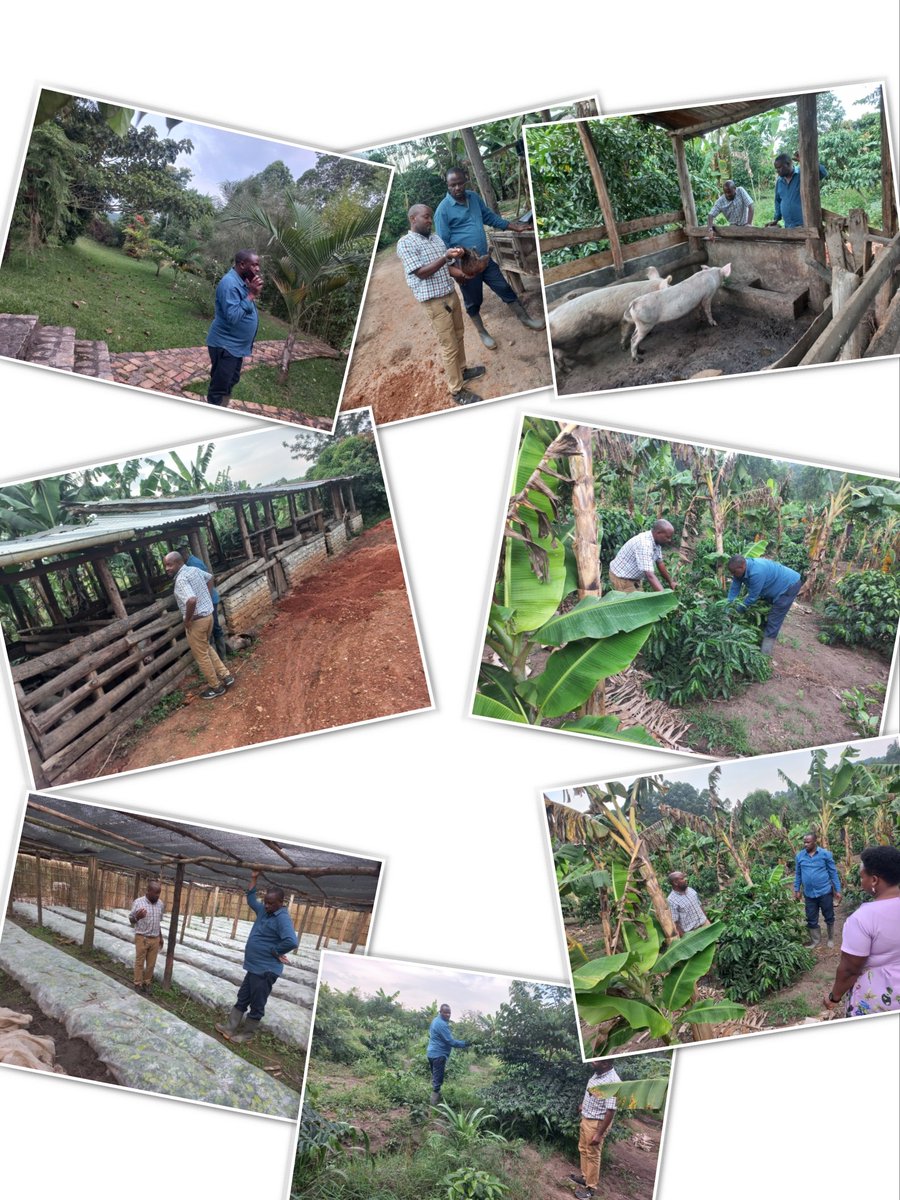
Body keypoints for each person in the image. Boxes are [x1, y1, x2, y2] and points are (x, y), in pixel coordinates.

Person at [434, 167, 544, 349]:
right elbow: (443, 244)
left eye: (460, 183)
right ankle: (482, 332)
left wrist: (513, 226)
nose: (457, 188)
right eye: (452, 185)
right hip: (466, 265)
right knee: (473, 300)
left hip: (484, 259)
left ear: (465, 180)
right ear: (447, 185)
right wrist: (456, 272)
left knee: (503, 287)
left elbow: (489, 217)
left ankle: (526, 319)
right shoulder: (443, 211)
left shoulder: (473, 198)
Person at [397, 204, 486, 405]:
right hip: (434, 302)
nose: (430, 220)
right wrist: (445, 256)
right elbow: (421, 272)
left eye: (430, 217)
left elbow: (446, 268)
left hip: (450, 295)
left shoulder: (436, 239)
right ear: (413, 219)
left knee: (460, 334)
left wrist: (463, 274)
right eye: (426, 217)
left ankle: (463, 370)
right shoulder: (406, 243)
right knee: (449, 346)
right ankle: (456, 390)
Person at [214, 869, 299, 1045]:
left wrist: (276, 951)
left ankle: (247, 1035)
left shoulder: (282, 918)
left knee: (257, 1003)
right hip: (254, 967)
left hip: (266, 970)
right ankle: (229, 1027)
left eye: (270, 903)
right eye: (266, 902)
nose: (266, 906)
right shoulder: (265, 911)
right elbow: (251, 898)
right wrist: (253, 878)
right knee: (243, 996)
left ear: (280, 903)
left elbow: (291, 941)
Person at [824, 845, 900, 1016]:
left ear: (874, 880)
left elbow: (850, 970)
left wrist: (833, 997)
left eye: (862, 877)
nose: (860, 881)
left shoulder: (862, 919)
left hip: (880, 1001)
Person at [163, 551, 234, 699]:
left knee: (201, 655)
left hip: (196, 622)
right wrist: (206, 597)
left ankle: (216, 687)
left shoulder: (181, 579)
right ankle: (225, 675)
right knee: (206, 647)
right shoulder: (193, 570)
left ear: (178, 563)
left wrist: (187, 620)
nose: (166, 568)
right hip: (208, 617)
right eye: (165, 565)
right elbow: (209, 578)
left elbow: (191, 600)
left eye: (169, 565)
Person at [206, 249, 263, 406]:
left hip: (235, 347)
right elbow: (233, 317)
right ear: (242, 264)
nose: (258, 269)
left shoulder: (242, 280)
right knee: (219, 387)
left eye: (258, 265)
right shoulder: (229, 284)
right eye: (255, 265)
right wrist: (251, 295)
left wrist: (251, 291)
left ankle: (222, 405)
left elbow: (244, 307)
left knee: (232, 380)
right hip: (225, 346)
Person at [725, 554, 803, 655]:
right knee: (764, 613)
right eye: (731, 573)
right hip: (773, 585)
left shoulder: (756, 572)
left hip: (788, 585)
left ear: (742, 566)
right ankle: (758, 640)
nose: (733, 575)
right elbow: (734, 590)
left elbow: (752, 597)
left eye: (734, 572)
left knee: (774, 618)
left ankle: (765, 653)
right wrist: (728, 607)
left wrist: (737, 610)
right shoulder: (738, 571)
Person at [570, 1058, 621, 1200]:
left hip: (597, 1123)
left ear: (605, 1064)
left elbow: (610, 1111)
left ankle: (590, 1189)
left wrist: (599, 1134)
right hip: (586, 1118)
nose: (592, 1062)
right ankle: (585, 1177)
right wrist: (583, 1105)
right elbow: (593, 1094)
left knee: (593, 1155)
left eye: (595, 1061)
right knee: (583, 1149)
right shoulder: (598, 1073)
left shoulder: (612, 1082)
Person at [794, 831, 842, 948]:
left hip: (824, 891)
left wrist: (838, 890)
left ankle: (830, 938)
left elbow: (833, 873)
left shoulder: (825, 854)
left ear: (815, 842)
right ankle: (815, 941)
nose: (806, 844)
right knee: (811, 917)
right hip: (809, 894)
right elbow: (798, 874)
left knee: (829, 915)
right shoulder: (800, 856)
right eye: (804, 842)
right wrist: (797, 889)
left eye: (808, 842)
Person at [182, 544, 227, 661]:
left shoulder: (193, 564)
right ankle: (218, 658)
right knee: (211, 629)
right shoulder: (189, 563)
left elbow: (209, 578)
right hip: (207, 601)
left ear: (185, 554)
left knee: (214, 628)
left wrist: (206, 597)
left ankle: (223, 657)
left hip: (210, 601)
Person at [608, 519, 677, 593]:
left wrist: (670, 582)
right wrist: (664, 596)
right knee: (634, 604)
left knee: (641, 600)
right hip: (622, 579)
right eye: (667, 537)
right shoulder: (645, 544)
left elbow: (659, 563)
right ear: (658, 533)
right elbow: (650, 575)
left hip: (635, 579)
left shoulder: (656, 542)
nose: (669, 540)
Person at [765, 153, 828, 229]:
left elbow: (823, 173)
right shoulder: (779, 181)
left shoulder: (803, 174)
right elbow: (778, 200)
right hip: (788, 227)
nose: (777, 171)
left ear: (788, 164)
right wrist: (776, 219)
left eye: (779, 167)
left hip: (805, 226)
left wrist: (804, 160)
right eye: (776, 168)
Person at [426, 1002, 470, 1106]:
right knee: (438, 1080)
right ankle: (433, 1107)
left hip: (431, 1053)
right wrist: (465, 1043)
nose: (448, 1015)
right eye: (445, 1013)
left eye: (449, 1013)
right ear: (440, 1012)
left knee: (436, 1077)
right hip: (438, 1055)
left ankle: (437, 1099)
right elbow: (451, 1041)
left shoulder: (435, 1020)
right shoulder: (441, 1024)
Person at [128, 879, 164, 993]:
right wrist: (137, 917)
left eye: (159, 893)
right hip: (142, 937)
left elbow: (158, 922)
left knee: (151, 964)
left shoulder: (160, 904)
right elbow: (131, 920)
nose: (158, 895)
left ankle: (147, 982)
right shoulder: (138, 902)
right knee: (139, 962)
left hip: (155, 938)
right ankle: (138, 983)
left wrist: (161, 937)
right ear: (148, 891)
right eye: (156, 893)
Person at [666, 871, 710, 935]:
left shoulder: (690, 890)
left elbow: (700, 905)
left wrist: (706, 919)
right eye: (682, 878)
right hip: (693, 932)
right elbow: (675, 922)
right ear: (675, 883)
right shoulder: (671, 900)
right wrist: (685, 937)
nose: (686, 879)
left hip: (705, 924)